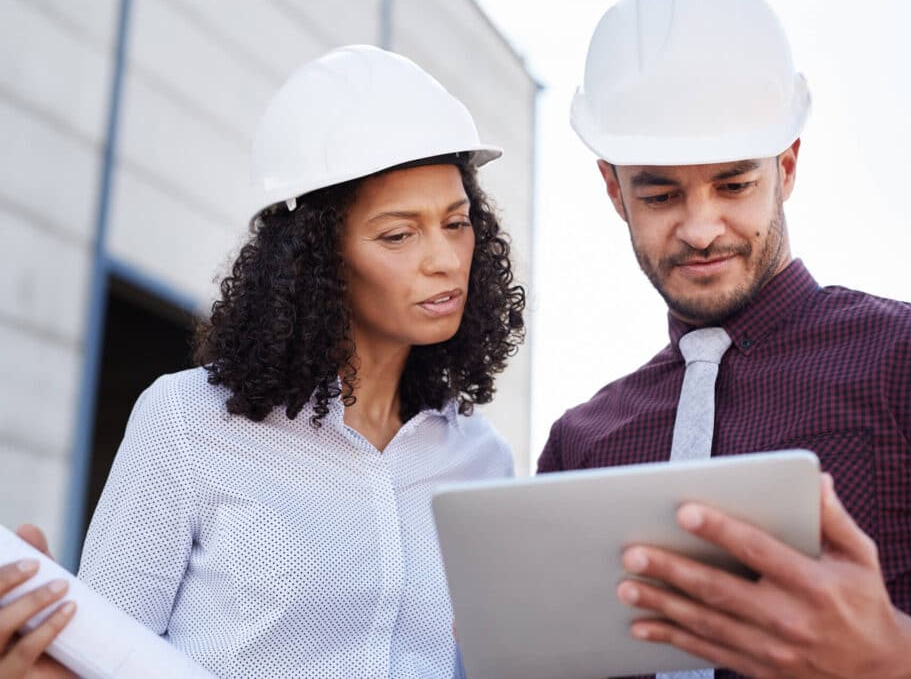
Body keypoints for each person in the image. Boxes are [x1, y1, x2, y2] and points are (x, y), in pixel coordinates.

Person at [0, 44, 524, 678]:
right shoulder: (187, 424)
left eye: (457, 222)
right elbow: (106, 653)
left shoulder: (481, 460)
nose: (445, 259)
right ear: (317, 258)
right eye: (398, 234)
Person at [539, 0, 911, 677]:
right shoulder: (581, 443)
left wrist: (892, 653)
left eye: (733, 183)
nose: (702, 227)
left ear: (787, 167)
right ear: (614, 192)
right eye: (659, 196)